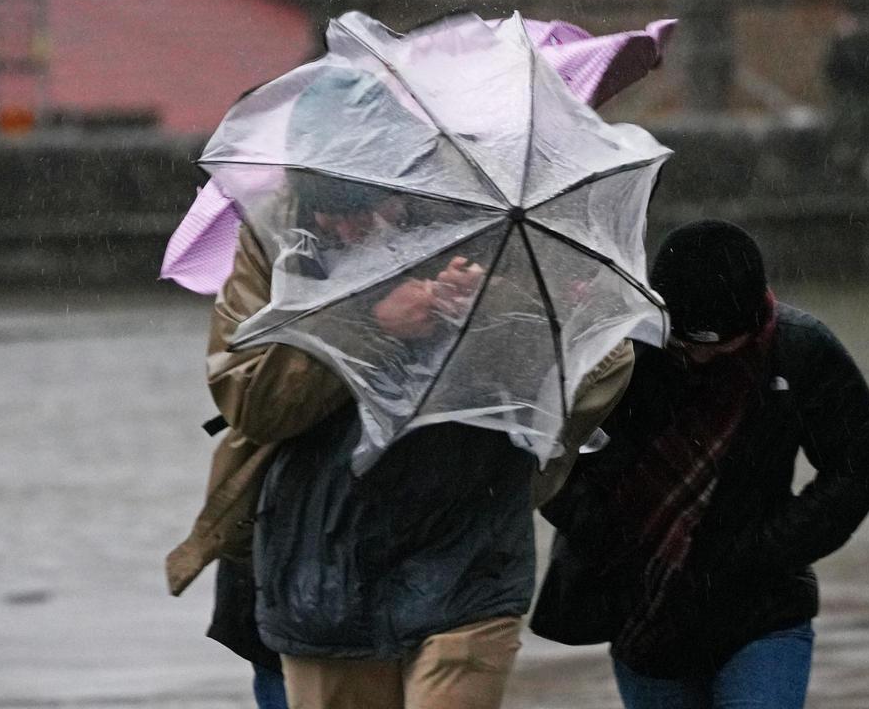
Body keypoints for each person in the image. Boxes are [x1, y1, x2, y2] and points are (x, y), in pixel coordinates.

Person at [167, 178, 634, 709]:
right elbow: (256, 406)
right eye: (329, 217)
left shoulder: (500, 218)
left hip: (468, 547)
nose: (348, 230)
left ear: (401, 194)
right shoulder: (271, 238)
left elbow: (603, 362)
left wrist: (493, 308)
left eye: (363, 214)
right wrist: (370, 325)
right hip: (322, 555)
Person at [530, 220, 869, 709]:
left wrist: (768, 547)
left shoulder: (801, 351)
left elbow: (859, 463)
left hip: (761, 610)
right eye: (685, 342)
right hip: (641, 608)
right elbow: (550, 458)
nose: (699, 356)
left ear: (752, 323)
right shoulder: (616, 353)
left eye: (717, 344)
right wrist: (604, 529)